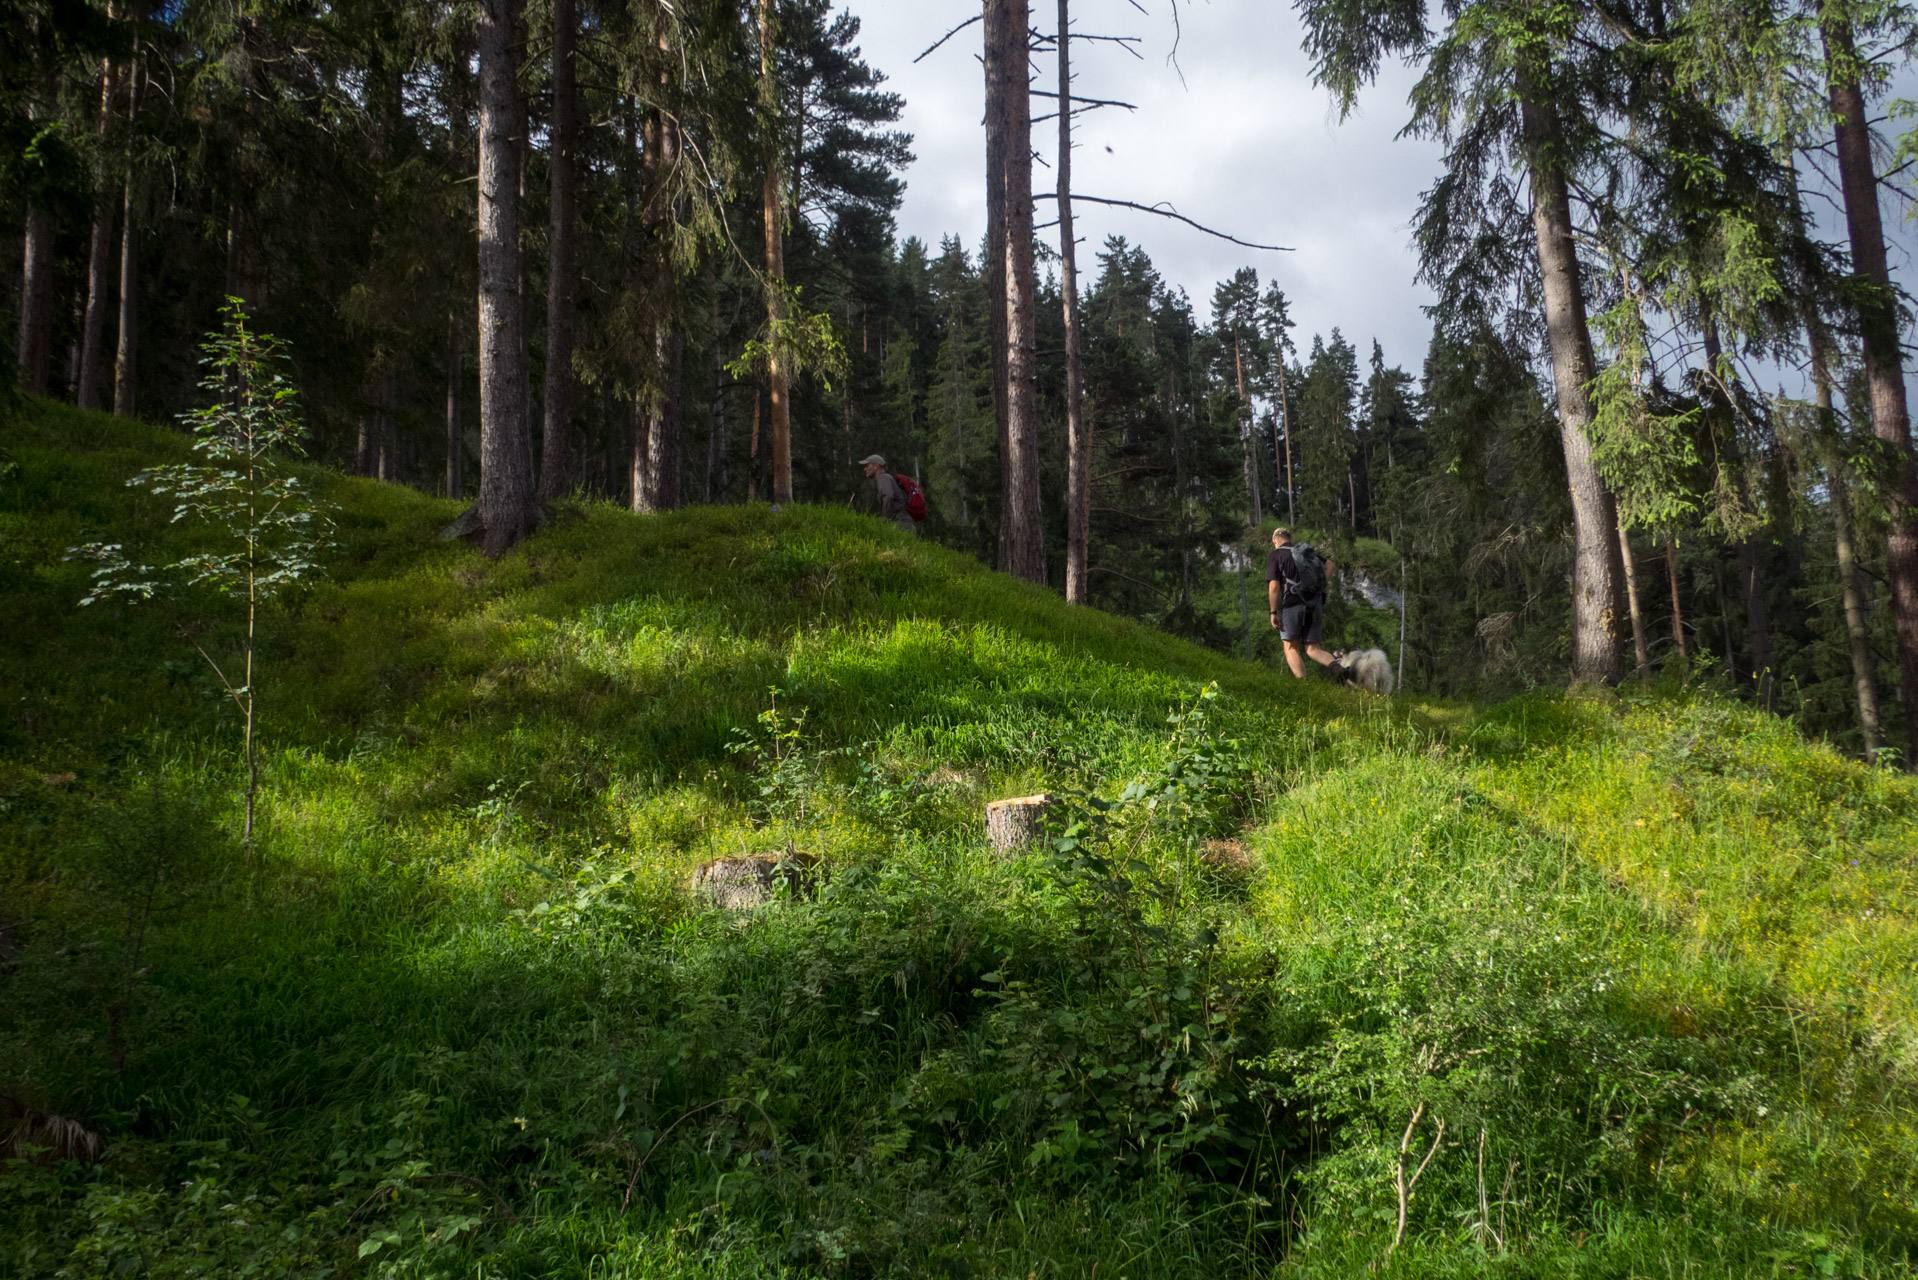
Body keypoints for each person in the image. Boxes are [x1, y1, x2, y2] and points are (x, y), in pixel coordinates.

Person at [1267, 527, 1346, 681]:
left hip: (1292, 603)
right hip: (1314, 603)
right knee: (1313, 648)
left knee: (1290, 647)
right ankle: (1338, 668)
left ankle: (1303, 685)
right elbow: (1330, 565)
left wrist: (1273, 612)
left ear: (1275, 540)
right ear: (1289, 539)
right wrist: (1320, 587)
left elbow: (1274, 587)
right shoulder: (1304, 553)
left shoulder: (1275, 555)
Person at [858, 454, 917, 535]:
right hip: (905, 524)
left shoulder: (883, 478)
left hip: (901, 525)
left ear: (876, 466)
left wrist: (884, 521)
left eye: (867, 466)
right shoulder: (886, 478)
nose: (865, 469)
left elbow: (888, 497)